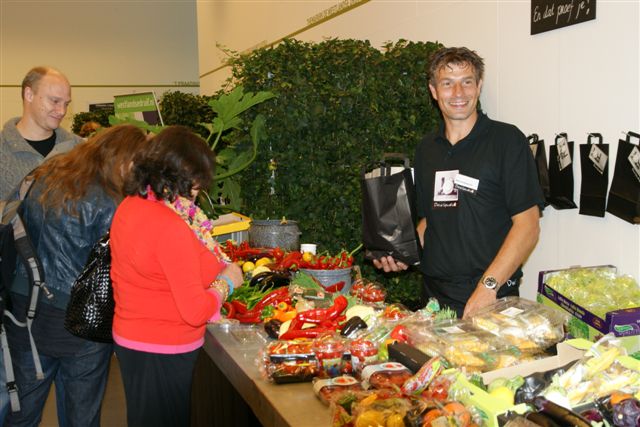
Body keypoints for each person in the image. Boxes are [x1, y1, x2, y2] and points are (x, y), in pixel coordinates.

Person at [373, 47, 544, 318]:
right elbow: (430, 219)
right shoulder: (427, 148)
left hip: (491, 297)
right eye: (447, 84)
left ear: (479, 86)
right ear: (433, 91)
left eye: (466, 82)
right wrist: (401, 252)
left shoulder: (506, 141)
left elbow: (528, 226)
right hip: (433, 296)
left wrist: (488, 288)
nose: (458, 93)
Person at [4, 125, 148, 427]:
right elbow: (125, 266)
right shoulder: (115, 201)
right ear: (124, 159)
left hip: (25, 311)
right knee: (81, 416)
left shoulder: (42, 174)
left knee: (22, 412)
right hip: (82, 319)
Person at [110, 125, 243, 427]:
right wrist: (227, 283)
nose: (197, 191)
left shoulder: (131, 206)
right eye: (196, 182)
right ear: (178, 174)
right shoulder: (169, 226)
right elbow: (194, 311)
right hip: (163, 346)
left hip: (134, 340)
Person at [0, 66, 82, 200]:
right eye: (55, 101)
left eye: (66, 104)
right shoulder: (2, 148)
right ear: (29, 95)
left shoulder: (79, 149)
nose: (62, 111)